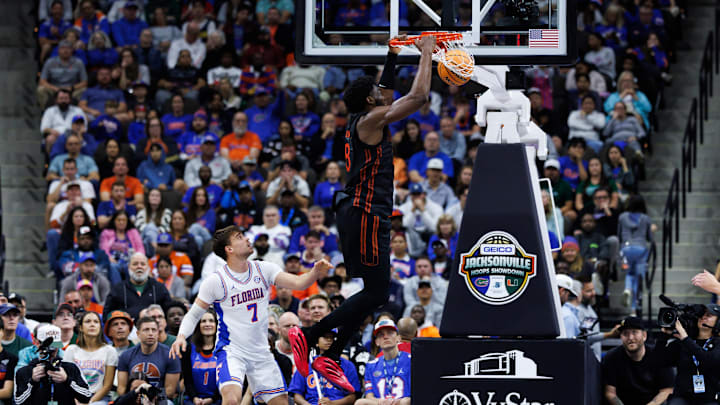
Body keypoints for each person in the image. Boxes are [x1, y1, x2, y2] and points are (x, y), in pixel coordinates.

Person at [169, 225, 334, 404]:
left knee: (281, 402)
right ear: (229, 249)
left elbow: (299, 283)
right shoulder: (216, 281)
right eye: (240, 237)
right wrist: (180, 337)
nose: (247, 239)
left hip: (261, 352)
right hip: (232, 350)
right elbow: (193, 314)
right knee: (232, 399)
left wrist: (314, 272)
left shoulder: (264, 269)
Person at [651, 304, 720, 404]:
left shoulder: (717, 344)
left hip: (709, 398)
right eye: (702, 314)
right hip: (682, 397)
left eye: (709, 315)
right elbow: (658, 361)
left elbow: (709, 360)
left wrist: (685, 338)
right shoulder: (683, 343)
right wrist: (664, 336)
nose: (703, 317)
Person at [602, 316, 674, 405]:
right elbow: (610, 393)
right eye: (625, 333)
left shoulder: (659, 356)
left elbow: (667, 390)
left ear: (644, 335)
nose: (630, 337)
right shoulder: (612, 357)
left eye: (634, 332)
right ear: (621, 337)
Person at [14, 324, 92, 405]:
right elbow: (19, 402)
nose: (52, 350)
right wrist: (32, 382)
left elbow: (86, 397)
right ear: (36, 342)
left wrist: (67, 380)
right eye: (47, 346)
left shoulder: (70, 368)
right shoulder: (25, 371)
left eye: (55, 345)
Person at [288, 328, 360, 405]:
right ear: (316, 341)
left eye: (332, 337)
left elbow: (352, 396)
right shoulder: (306, 364)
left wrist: (333, 403)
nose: (329, 340)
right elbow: (296, 394)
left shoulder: (347, 365)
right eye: (325, 337)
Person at [117, 317, 181, 399]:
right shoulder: (126, 355)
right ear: (138, 334)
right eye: (146, 330)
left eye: (153, 330)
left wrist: (148, 397)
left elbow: (169, 392)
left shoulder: (170, 355)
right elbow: (121, 390)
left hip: (160, 400)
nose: (150, 333)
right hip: (133, 399)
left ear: (158, 333)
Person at [63, 311, 118, 404]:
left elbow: (107, 385)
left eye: (96, 322)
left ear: (100, 327)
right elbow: (69, 381)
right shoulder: (71, 350)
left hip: (99, 398)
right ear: (80, 327)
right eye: (88, 321)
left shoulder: (109, 351)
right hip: (75, 396)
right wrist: (77, 402)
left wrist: (89, 402)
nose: (92, 324)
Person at [102, 253, 173, 321]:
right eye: (135, 264)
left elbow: (169, 312)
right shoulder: (118, 289)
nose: (139, 266)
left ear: (148, 267)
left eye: (143, 264)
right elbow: (107, 315)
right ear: (129, 267)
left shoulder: (159, 288)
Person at [356, 320, 412, 405]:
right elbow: (369, 396)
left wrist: (400, 401)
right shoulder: (371, 365)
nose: (385, 337)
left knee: (406, 401)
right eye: (381, 335)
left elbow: (418, 392)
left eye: (390, 333)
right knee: (360, 402)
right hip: (380, 404)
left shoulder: (411, 360)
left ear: (398, 338)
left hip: (401, 403)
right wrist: (380, 402)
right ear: (377, 342)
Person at [618, 195, 653, 312]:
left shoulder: (622, 217)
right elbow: (649, 237)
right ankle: (634, 307)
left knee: (629, 273)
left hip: (626, 248)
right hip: (640, 249)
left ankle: (627, 289)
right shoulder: (645, 218)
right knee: (638, 276)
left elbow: (619, 234)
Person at [181, 310, 220, 404]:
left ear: (217, 325)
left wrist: (212, 399)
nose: (207, 324)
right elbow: (188, 380)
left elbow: (224, 380)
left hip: (218, 399)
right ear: (198, 325)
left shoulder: (224, 349)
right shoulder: (188, 349)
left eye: (211, 321)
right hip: (194, 400)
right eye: (203, 321)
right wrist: (195, 398)